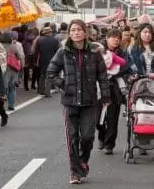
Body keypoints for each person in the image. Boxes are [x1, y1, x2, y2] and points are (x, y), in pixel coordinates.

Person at [47, 19, 110, 185]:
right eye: (73, 30)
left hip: (90, 102)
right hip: (70, 102)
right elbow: (51, 72)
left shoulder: (94, 52)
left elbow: (103, 76)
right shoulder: (63, 51)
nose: (76, 33)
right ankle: (75, 172)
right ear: (69, 33)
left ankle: (83, 161)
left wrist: (105, 96)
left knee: (88, 137)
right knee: (72, 138)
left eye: (79, 30)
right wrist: (64, 85)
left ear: (85, 32)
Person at [96, 29, 129, 155]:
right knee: (97, 118)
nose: (117, 40)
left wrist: (114, 72)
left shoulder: (122, 52)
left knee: (112, 118)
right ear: (107, 38)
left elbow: (126, 66)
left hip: (114, 88)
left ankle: (109, 144)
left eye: (118, 38)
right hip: (99, 88)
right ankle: (101, 135)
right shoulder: (98, 49)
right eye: (114, 37)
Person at [0, 33, 24, 111]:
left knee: (2, 89)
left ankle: (1, 105)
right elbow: (20, 57)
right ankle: (11, 105)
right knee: (12, 88)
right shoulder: (13, 47)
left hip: (1, 70)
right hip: (12, 70)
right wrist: (21, 67)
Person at [33, 26, 60, 97]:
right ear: (50, 33)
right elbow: (57, 52)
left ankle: (40, 90)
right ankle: (47, 92)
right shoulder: (55, 40)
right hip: (52, 60)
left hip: (42, 60)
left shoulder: (40, 40)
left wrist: (35, 61)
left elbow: (36, 52)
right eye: (51, 32)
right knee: (49, 76)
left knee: (42, 75)